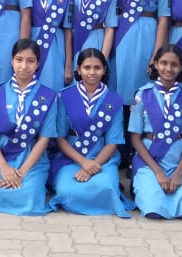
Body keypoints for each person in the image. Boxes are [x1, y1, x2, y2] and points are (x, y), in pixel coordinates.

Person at [0, 39, 59, 215]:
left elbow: (44, 139)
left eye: (30, 61)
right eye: (19, 60)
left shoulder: (48, 96)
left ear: (38, 64)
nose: (24, 66)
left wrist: (21, 172)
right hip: (1, 154)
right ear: (12, 61)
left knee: (29, 195)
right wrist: (4, 168)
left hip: (32, 157)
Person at [49, 49, 135, 217]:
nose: (92, 72)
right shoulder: (65, 96)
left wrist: (91, 167)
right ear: (79, 69)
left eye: (97, 68)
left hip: (102, 158)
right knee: (66, 191)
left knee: (107, 189)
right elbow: (60, 138)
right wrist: (83, 162)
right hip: (71, 157)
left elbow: (113, 141)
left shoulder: (114, 100)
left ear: (104, 70)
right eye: (87, 67)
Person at [128, 44, 182, 220]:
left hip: (178, 161)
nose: (168, 69)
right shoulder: (142, 95)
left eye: (174, 64)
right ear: (155, 64)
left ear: (181, 66)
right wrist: (158, 172)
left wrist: (179, 173)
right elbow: (135, 138)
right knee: (154, 210)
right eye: (163, 63)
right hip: (149, 161)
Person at [30, 0, 74, 92]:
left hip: (55, 46)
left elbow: (68, 31)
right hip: (33, 42)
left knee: (52, 88)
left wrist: (68, 66)